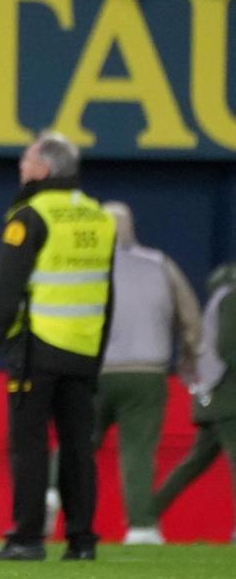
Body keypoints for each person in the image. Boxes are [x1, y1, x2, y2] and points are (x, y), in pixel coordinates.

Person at [0, 131, 115, 562]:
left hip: (38, 347)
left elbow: (5, 291)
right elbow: (108, 293)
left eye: (28, 159)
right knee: (77, 446)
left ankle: (29, 536)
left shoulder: (30, 215)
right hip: (84, 349)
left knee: (29, 444)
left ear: (45, 169)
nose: (22, 166)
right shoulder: (98, 217)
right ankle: (82, 540)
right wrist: (97, 351)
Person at [96, 201, 201, 546]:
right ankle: (141, 527)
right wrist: (189, 360)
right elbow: (190, 319)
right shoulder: (160, 264)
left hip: (93, 371)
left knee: (76, 443)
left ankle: (45, 503)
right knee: (138, 450)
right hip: (147, 374)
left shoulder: (86, 265)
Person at [153, 262, 236, 540]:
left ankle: (144, 516)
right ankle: (142, 518)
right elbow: (228, 347)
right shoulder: (232, 297)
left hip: (217, 395)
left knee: (194, 464)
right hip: (227, 396)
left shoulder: (222, 296)